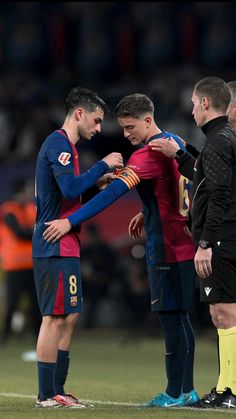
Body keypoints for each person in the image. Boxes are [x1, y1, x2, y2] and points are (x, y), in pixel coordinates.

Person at [43, 93, 200, 408]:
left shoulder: (147, 155)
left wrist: (69, 220)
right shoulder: (174, 141)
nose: (126, 135)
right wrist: (150, 210)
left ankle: (176, 392)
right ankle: (185, 389)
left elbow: (109, 196)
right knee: (181, 319)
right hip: (184, 242)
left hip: (167, 249)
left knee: (171, 320)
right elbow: (180, 185)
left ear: (146, 120)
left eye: (130, 128)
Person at [32, 86, 124, 408]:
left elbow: (68, 193)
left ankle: (57, 390)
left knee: (68, 316)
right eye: (97, 121)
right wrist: (100, 166)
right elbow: (69, 186)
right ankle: (46, 396)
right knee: (54, 317)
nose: (99, 129)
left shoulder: (67, 148)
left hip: (67, 241)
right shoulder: (59, 143)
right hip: (53, 241)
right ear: (80, 114)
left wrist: (95, 182)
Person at [149, 76, 236, 410]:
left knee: (223, 314)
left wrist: (205, 242)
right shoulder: (223, 139)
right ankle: (226, 389)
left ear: (203, 103)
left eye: (192, 103)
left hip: (221, 242)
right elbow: (208, 178)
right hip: (227, 239)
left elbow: (218, 194)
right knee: (227, 315)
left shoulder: (217, 141)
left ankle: (228, 392)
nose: (191, 110)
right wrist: (182, 155)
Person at [0, 178, 41, 343]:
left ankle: (39, 336)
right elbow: (20, 233)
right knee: (12, 302)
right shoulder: (9, 209)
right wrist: (37, 233)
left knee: (36, 303)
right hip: (14, 265)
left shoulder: (31, 208)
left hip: (32, 263)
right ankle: (5, 336)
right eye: (29, 189)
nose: (32, 193)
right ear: (22, 190)